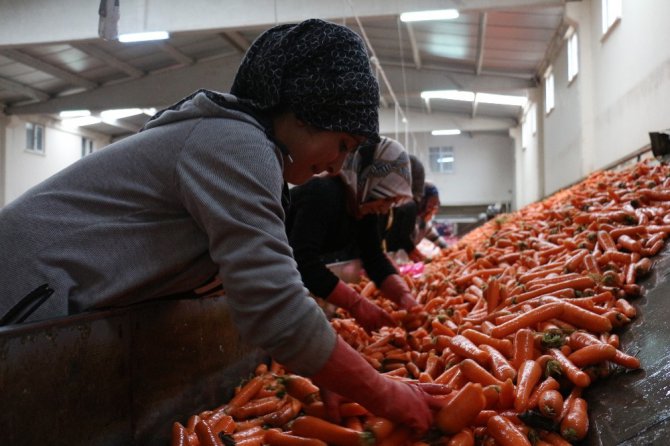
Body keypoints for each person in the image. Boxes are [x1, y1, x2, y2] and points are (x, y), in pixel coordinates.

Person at [0, 19, 435, 431]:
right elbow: (275, 309)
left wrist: (328, 368)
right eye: (342, 143)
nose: (338, 164)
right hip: (25, 289)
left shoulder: (244, 150)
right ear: (304, 111)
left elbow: (264, 289)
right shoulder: (236, 146)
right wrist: (386, 395)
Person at [286, 137, 420, 334]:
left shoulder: (362, 207)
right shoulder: (322, 192)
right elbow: (303, 261)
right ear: (369, 179)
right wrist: (357, 305)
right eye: (386, 197)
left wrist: (404, 296)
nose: (385, 209)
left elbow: (374, 257)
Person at [384, 179, 449, 262]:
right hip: (393, 259)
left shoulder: (422, 220)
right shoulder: (408, 211)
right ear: (422, 201)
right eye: (430, 206)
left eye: (435, 206)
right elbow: (404, 239)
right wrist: (421, 258)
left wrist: (448, 249)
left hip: (402, 261)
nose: (432, 210)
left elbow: (434, 236)